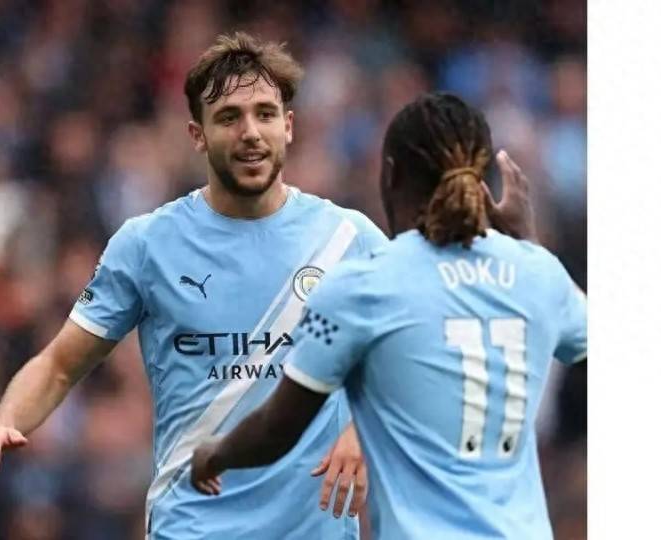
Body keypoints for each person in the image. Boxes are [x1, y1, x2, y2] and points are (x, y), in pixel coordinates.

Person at [0, 32, 390, 539]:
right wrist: (5, 420)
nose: (250, 132)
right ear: (198, 135)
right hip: (191, 526)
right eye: (229, 117)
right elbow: (59, 365)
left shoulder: (349, 239)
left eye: (264, 114)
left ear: (289, 125)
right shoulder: (147, 244)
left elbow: (420, 349)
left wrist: (364, 430)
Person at [190, 92, 587, 539]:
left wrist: (213, 454)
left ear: (391, 174)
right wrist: (527, 245)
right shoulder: (538, 274)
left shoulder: (363, 287)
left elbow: (276, 431)